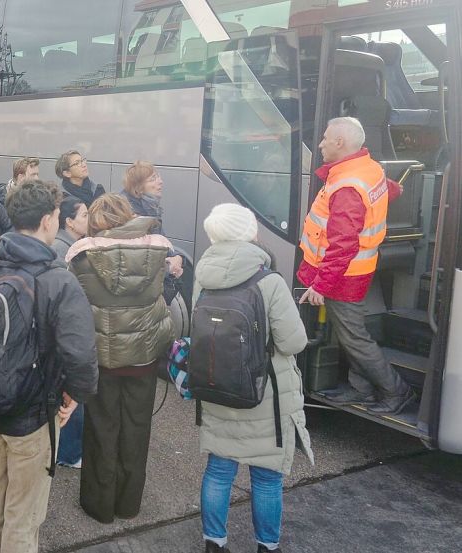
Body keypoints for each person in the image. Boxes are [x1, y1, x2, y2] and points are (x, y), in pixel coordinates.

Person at [0, 179, 99, 553]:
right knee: (23, 513)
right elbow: (80, 352)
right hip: (32, 413)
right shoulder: (57, 278)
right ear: (48, 220)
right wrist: (76, 394)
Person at [196, 203, 313, 553]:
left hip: (217, 388)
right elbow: (294, 342)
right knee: (266, 478)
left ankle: (214, 542)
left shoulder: (203, 278)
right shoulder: (269, 280)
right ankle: (267, 545)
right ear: (249, 233)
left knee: (219, 470)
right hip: (266, 395)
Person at [65, 193, 174, 524]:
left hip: (102, 359)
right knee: (137, 429)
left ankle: (99, 506)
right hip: (143, 357)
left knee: (101, 428)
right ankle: (128, 504)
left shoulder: (82, 258)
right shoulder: (157, 253)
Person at [297, 116, 413, 415]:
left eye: (324, 138)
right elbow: (391, 190)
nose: (320, 143)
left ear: (340, 143)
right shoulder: (367, 168)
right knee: (350, 333)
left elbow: (343, 245)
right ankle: (360, 389)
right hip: (357, 271)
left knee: (354, 338)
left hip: (343, 277)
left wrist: (320, 285)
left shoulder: (348, 186)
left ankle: (396, 391)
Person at [50, 194, 89, 469]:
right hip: (65, 333)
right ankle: (69, 453)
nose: (89, 220)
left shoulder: (70, 245)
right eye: (84, 215)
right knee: (71, 390)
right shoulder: (65, 251)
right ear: (70, 222)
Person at [122, 161, 185, 299]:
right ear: (138, 187)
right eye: (153, 179)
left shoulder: (150, 207)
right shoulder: (129, 214)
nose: (160, 182)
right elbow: (136, 262)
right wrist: (169, 267)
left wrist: (177, 256)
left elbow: (163, 242)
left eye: (158, 177)